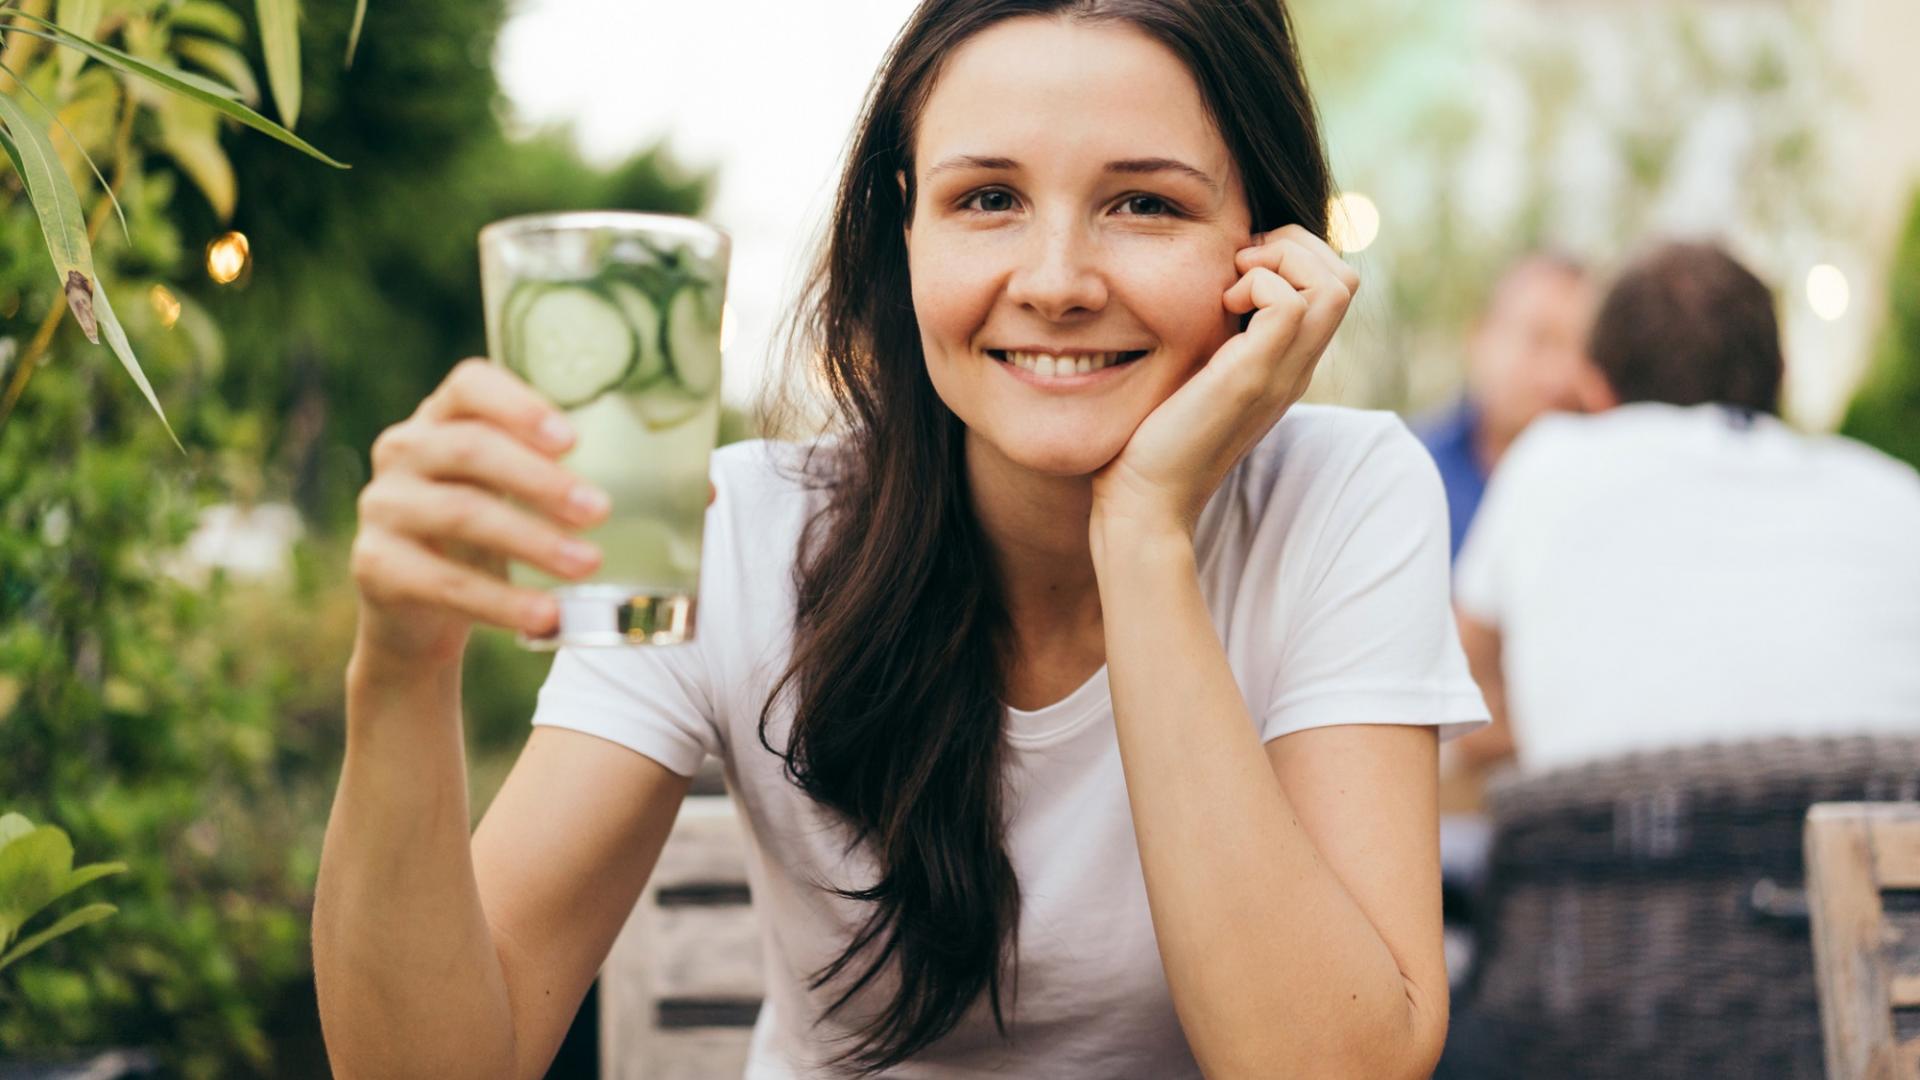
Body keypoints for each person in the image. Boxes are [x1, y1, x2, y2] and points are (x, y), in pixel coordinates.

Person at [313, 2, 1488, 1076]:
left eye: (1147, 203)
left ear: (1272, 254)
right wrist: (403, 670)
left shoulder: (1343, 496)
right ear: (904, 233)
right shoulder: (743, 534)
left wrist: (1143, 535)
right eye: (988, 198)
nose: (1059, 280)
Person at [1451, 240, 1920, 775]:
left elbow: (1466, 700)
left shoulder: (1545, 462)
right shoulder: (1897, 495)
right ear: (1778, 380)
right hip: (1862, 847)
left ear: (1597, 387)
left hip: (1603, 844)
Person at [1413, 253, 1603, 561]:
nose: (1562, 373)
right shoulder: (1413, 468)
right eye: (1541, 340)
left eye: (1585, 351)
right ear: (1479, 337)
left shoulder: (1613, 484)